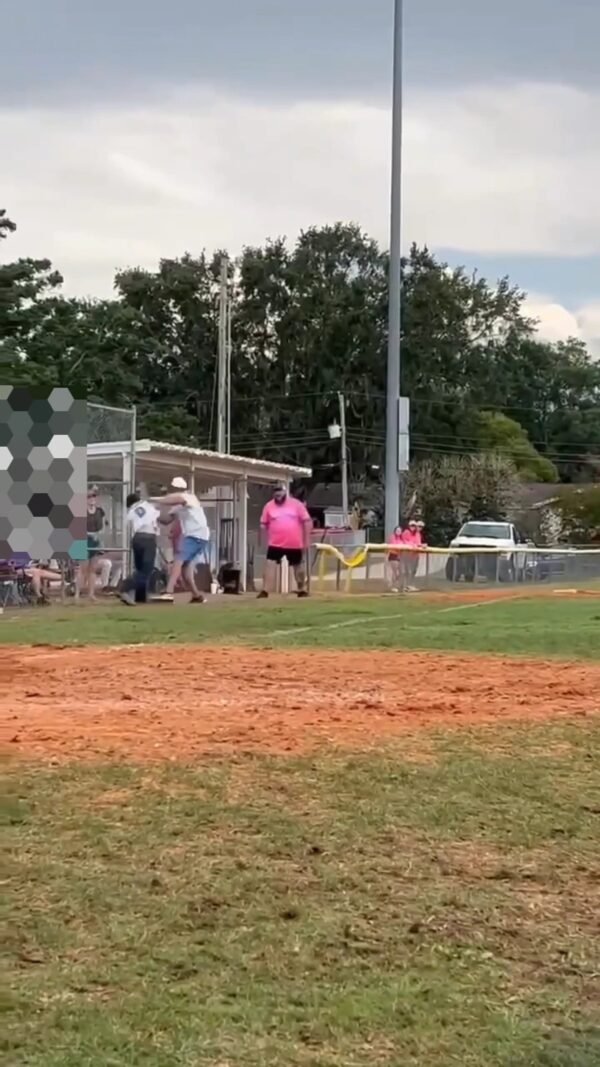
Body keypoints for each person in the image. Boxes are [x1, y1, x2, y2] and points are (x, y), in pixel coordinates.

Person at [150, 477, 210, 603]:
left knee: (178, 560)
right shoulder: (177, 506)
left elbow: (176, 499)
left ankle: (169, 591)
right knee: (185, 569)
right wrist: (152, 515)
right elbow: (166, 520)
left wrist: (154, 499)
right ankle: (196, 595)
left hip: (197, 535)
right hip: (194, 536)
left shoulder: (189, 497)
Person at [258, 484, 312, 599]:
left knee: (298, 566)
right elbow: (263, 524)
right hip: (275, 543)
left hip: (294, 543)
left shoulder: (296, 505)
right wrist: (263, 540)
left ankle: (302, 589)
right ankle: (265, 591)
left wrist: (306, 540)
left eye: (280, 491)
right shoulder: (268, 506)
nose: (278, 494)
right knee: (269, 565)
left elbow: (307, 522)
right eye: (275, 492)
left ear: (285, 492)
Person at [118, 492, 160, 606]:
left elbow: (129, 522)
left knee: (139, 568)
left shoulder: (132, 510)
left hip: (137, 538)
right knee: (146, 569)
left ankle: (140, 596)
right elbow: (157, 518)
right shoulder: (148, 506)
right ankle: (124, 588)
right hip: (149, 537)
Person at [76, 486, 106, 602]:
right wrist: (89, 534)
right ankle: (77, 594)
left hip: (95, 541)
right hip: (84, 541)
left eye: (94, 496)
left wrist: (99, 536)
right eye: (89, 497)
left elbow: (102, 527)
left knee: (93, 569)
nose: (92, 499)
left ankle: (91, 594)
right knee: (82, 568)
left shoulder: (99, 511)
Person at [387, 525, 405, 593]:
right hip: (393, 556)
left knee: (401, 572)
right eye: (397, 530)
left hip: (400, 556)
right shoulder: (392, 537)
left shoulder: (401, 538)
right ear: (395, 531)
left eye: (400, 531)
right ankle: (393, 586)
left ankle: (399, 586)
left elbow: (404, 545)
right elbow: (394, 545)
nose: (398, 532)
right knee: (395, 572)